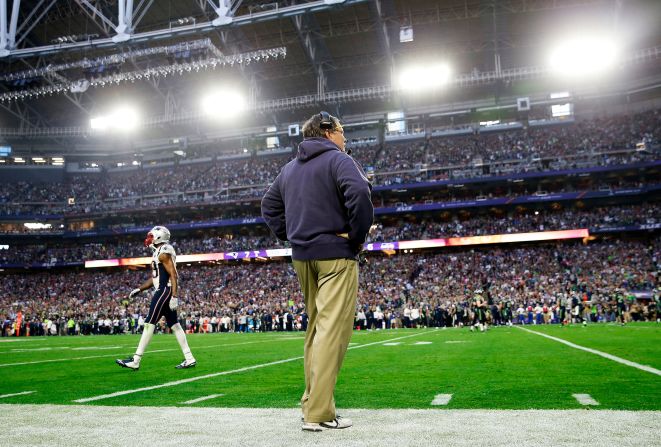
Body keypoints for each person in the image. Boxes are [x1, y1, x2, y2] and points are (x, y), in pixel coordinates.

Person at [261, 111, 373, 432]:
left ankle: (311, 402)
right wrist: (355, 237)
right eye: (341, 131)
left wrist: (291, 234)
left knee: (315, 330)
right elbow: (361, 194)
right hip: (336, 255)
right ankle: (320, 413)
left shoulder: (288, 169)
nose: (345, 138)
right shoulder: (340, 161)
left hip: (302, 257)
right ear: (327, 131)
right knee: (331, 332)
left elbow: (268, 206)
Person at [116, 226, 196, 370]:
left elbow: (173, 275)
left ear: (159, 237)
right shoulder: (158, 252)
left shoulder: (164, 252)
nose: (149, 238)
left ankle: (136, 360)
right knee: (175, 325)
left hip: (164, 290)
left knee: (149, 323)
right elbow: (155, 278)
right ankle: (189, 358)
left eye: (152, 236)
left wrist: (174, 296)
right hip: (164, 289)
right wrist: (139, 289)